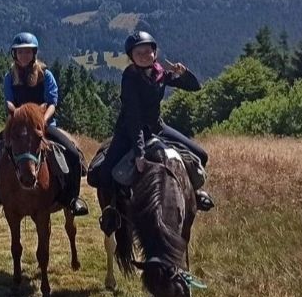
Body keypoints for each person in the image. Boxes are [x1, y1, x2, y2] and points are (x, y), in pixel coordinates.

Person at [89, 31, 215, 212]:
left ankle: (193, 193)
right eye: (138, 53)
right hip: (129, 130)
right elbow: (133, 117)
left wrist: (184, 73)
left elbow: (195, 86)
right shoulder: (130, 77)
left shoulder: (160, 73)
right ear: (131, 56)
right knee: (105, 173)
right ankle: (111, 211)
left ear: (154, 53)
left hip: (157, 127)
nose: (144, 56)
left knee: (201, 155)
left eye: (147, 51)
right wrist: (139, 152)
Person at [0, 32, 88, 216]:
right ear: (14, 55)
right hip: (18, 126)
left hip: (44, 124)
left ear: (34, 54)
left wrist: (42, 122)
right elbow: (9, 101)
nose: (24, 56)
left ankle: (72, 198)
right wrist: (14, 112)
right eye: (20, 52)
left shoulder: (45, 75)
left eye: (28, 52)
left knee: (72, 152)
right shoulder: (9, 77)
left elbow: (52, 102)